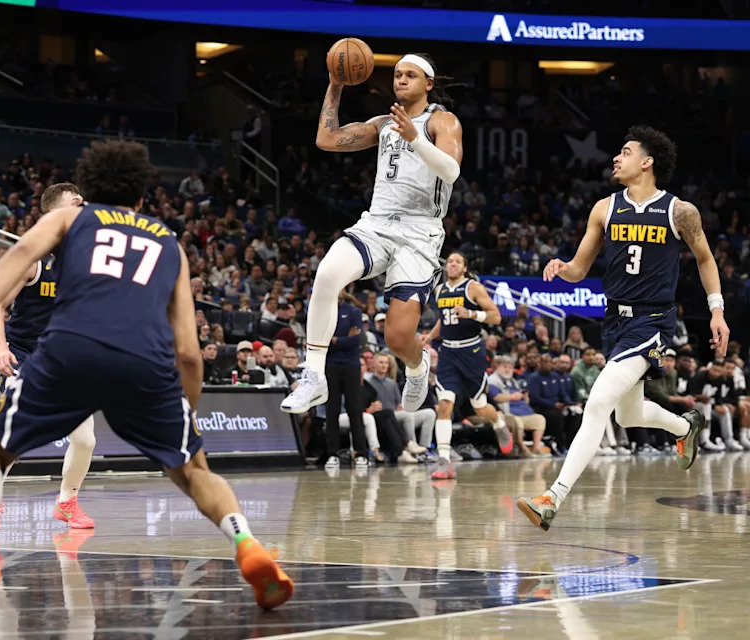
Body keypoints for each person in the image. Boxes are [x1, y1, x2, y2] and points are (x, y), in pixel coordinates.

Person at [0, 140, 292, 617]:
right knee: (194, 471)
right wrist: (184, 414)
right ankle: (247, 543)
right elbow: (188, 351)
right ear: (141, 195)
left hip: (70, 350)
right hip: (145, 362)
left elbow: (19, 251)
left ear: (89, 190)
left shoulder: (72, 219)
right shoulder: (169, 243)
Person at [517, 126, 728, 531]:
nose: (616, 157)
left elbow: (705, 259)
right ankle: (685, 426)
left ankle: (551, 498)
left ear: (647, 162)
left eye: (626, 152)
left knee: (597, 404)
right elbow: (580, 269)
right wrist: (563, 268)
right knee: (627, 415)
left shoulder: (678, 211)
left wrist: (716, 311)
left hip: (652, 321)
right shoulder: (604, 208)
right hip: (614, 320)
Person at [281, 53, 462, 418]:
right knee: (327, 273)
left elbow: (451, 171)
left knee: (397, 338)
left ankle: (417, 367)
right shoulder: (383, 124)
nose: (401, 80)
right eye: (397, 74)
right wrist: (335, 87)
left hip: (420, 232)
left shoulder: (442, 120)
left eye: (410, 75)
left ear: (428, 83)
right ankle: (314, 376)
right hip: (377, 223)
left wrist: (416, 139)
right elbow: (326, 139)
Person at [0, 183, 98, 530]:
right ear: (54, 213)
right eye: (76, 202)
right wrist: (1, 348)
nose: (83, 206)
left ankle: (67, 502)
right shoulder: (33, 257)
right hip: (25, 356)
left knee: (86, 440)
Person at [423, 252, 512, 479]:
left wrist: (471, 313)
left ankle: (499, 423)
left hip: (471, 351)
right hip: (448, 353)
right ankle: (444, 461)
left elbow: (495, 316)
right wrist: (430, 336)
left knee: (480, 407)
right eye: (450, 261)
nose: (452, 264)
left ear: (464, 268)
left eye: (457, 261)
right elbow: (444, 319)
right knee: (444, 404)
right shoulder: (439, 290)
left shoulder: (473, 288)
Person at [321, 290, 367, 468]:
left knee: (355, 409)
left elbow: (355, 342)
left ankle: (361, 454)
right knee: (331, 410)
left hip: (351, 366)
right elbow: (321, 340)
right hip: (330, 365)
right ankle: (332, 454)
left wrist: (334, 340)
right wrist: (341, 339)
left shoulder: (354, 312)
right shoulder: (324, 311)